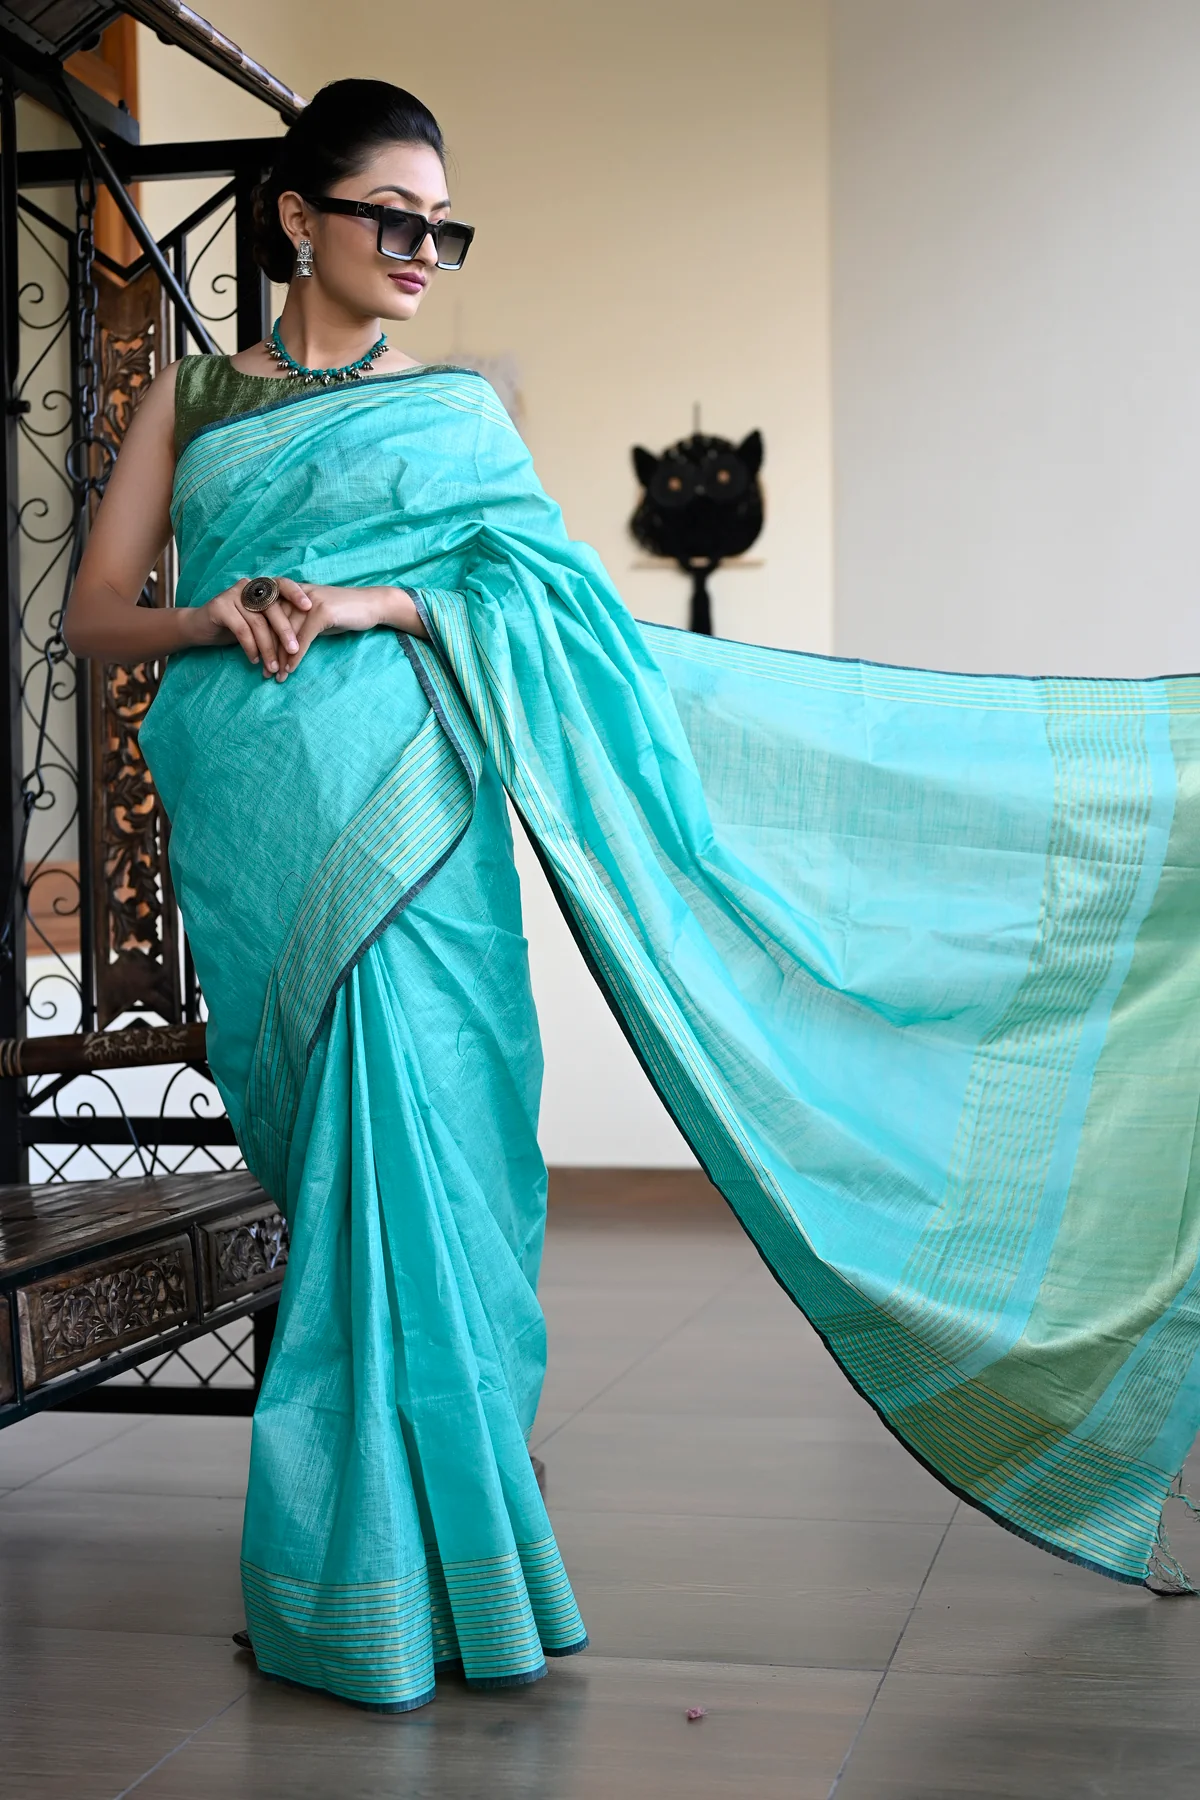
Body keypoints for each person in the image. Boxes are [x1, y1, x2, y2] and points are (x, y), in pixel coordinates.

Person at [67, 78, 1200, 1712]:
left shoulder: (457, 416)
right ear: (297, 217)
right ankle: (363, 1571)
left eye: (443, 228)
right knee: (342, 1190)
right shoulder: (191, 399)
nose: (423, 251)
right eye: (393, 217)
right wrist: (219, 612)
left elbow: (548, 607)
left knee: (444, 1169)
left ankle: (435, 1560)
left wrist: (376, 602)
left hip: (420, 834)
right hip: (260, 826)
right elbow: (98, 614)